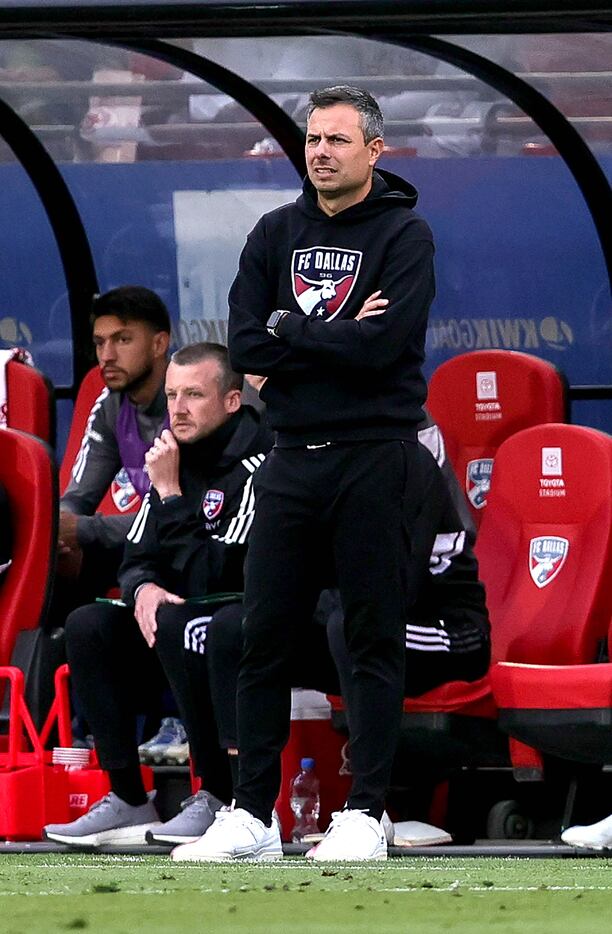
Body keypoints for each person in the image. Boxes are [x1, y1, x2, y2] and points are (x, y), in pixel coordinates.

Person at [172, 84, 441, 863]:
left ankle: (366, 813)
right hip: (292, 460)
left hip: (376, 455)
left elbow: (384, 350)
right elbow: (247, 347)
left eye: (337, 140)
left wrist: (295, 331)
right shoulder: (273, 232)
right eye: (312, 140)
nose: (320, 152)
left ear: (374, 150)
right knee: (262, 636)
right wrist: (326, 333)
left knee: (368, 637)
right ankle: (252, 814)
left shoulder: (406, 234)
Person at [165, 415, 490, 851]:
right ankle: (237, 806)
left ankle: (370, 810)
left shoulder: (399, 459)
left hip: (447, 625)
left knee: (350, 626)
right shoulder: (293, 466)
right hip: (348, 618)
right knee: (238, 629)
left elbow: (400, 590)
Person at [43, 342, 273, 847]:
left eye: (194, 394)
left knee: (180, 619)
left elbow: (219, 572)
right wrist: (143, 586)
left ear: (233, 400)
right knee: (89, 624)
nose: (178, 408)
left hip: (237, 630)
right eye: (171, 395)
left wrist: (169, 496)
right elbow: (136, 557)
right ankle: (128, 797)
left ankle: (218, 795)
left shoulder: (259, 465)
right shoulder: (172, 455)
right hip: (178, 626)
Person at [57, 285, 171, 603]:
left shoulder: (191, 405)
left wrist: (81, 530)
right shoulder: (110, 405)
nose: (106, 356)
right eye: (99, 343)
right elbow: (77, 498)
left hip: (196, 548)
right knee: (56, 560)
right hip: (144, 546)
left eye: (122, 340)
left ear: (159, 343)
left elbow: (188, 519)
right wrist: (60, 531)